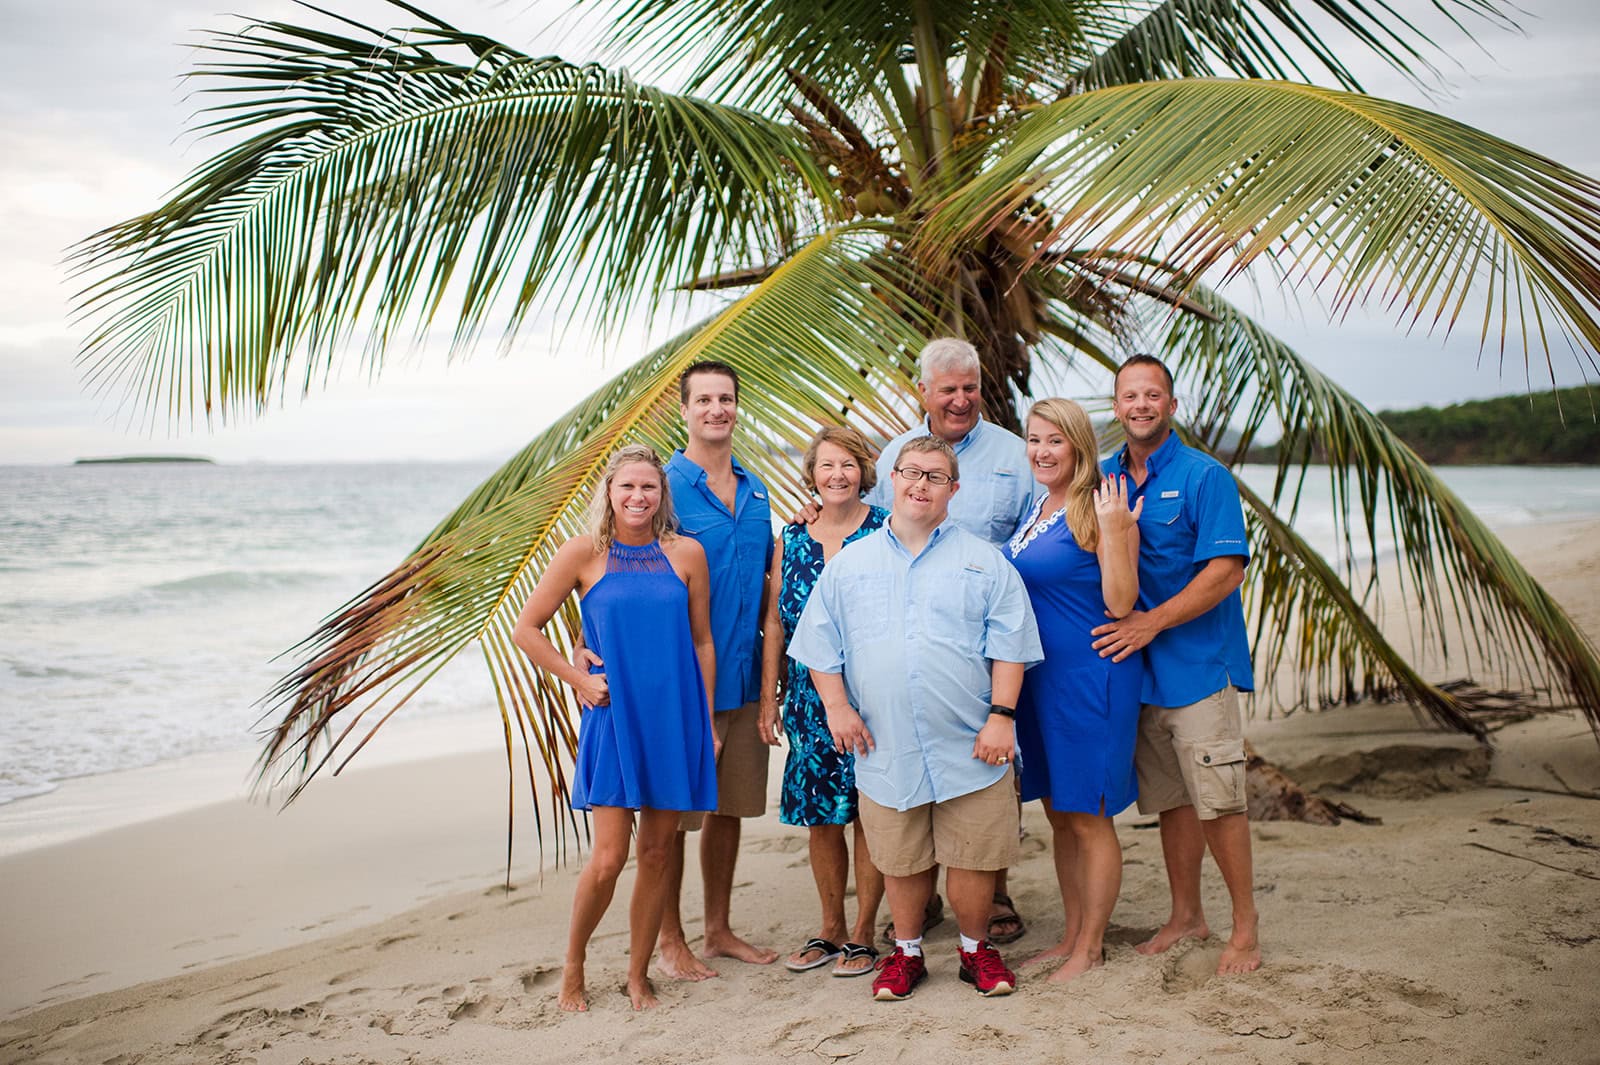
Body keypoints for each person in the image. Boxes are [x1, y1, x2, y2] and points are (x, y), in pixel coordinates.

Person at [788, 435, 1044, 1001]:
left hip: (972, 742)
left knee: (974, 854)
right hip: (885, 742)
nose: (920, 484)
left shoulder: (985, 562)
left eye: (934, 476)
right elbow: (818, 645)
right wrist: (836, 707)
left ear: (954, 490)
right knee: (901, 857)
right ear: (893, 479)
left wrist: (1002, 716)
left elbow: (1011, 647)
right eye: (911, 473)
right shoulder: (851, 564)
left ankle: (976, 951)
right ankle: (906, 955)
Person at [510, 444, 719, 1011]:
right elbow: (527, 629)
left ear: (661, 494)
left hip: (675, 720)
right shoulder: (584, 553)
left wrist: (706, 720)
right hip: (612, 716)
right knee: (608, 858)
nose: (637, 496)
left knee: (656, 854)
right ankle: (573, 967)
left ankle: (637, 975)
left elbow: (703, 641)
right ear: (609, 491)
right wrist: (575, 679)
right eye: (627, 486)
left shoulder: (687, 554)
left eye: (648, 487)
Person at [1091, 354, 1263, 975]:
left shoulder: (1204, 475)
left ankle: (1244, 929)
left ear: (1171, 405)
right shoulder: (1105, 478)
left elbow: (1225, 572)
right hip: (1139, 677)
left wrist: (1149, 623)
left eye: (1152, 395)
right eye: (1130, 396)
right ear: (1116, 407)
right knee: (1173, 803)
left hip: (1197, 669)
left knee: (1219, 801)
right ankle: (1187, 914)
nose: (1141, 405)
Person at [866, 337, 1037, 945]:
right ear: (924, 393)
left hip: (992, 636)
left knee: (994, 764)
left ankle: (994, 894)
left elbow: (1044, 527)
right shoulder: (896, 456)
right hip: (914, 639)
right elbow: (868, 531)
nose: (961, 399)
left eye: (970, 388)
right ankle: (924, 902)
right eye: (948, 389)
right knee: (913, 762)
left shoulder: (1016, 456)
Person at [1005, 398, 1143, 984]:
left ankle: (1091, 945)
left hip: (1089, 678)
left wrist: (1116, 531)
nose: (1041, 451)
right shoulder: (1038, 507)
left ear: (1079, 446)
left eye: (1054, 441)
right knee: (1059, 815)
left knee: (1089, 816)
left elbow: (1120, 603)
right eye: (1034, 440)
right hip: (1038, 682)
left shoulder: (1099, 507)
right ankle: (1069, 934)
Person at [658, 361, 779, 976]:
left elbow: (767, 585)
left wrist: (768, 689)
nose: (716, 409)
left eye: (725, 398)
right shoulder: (660, 487)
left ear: (737, 407)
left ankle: (717, 929)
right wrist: (582, 642)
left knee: (728, 809)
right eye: (703, 399)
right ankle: (670, 938)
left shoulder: (757, 492)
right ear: (685, 410)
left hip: (739, 674)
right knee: (674, 818)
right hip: (681, 689)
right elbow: (612, 568)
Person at [758, 426, 889, 978]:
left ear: (865, 472)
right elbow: (774, 623)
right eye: (827, 465)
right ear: (811, 474)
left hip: (874, 694)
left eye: (849, 465)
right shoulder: (791, 537)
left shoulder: (887, 530)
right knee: (822, 817)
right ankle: (830, 927)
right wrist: (769, 700)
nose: (838, 475)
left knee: (874, 815)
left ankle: (864, 931)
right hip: (809, 701)